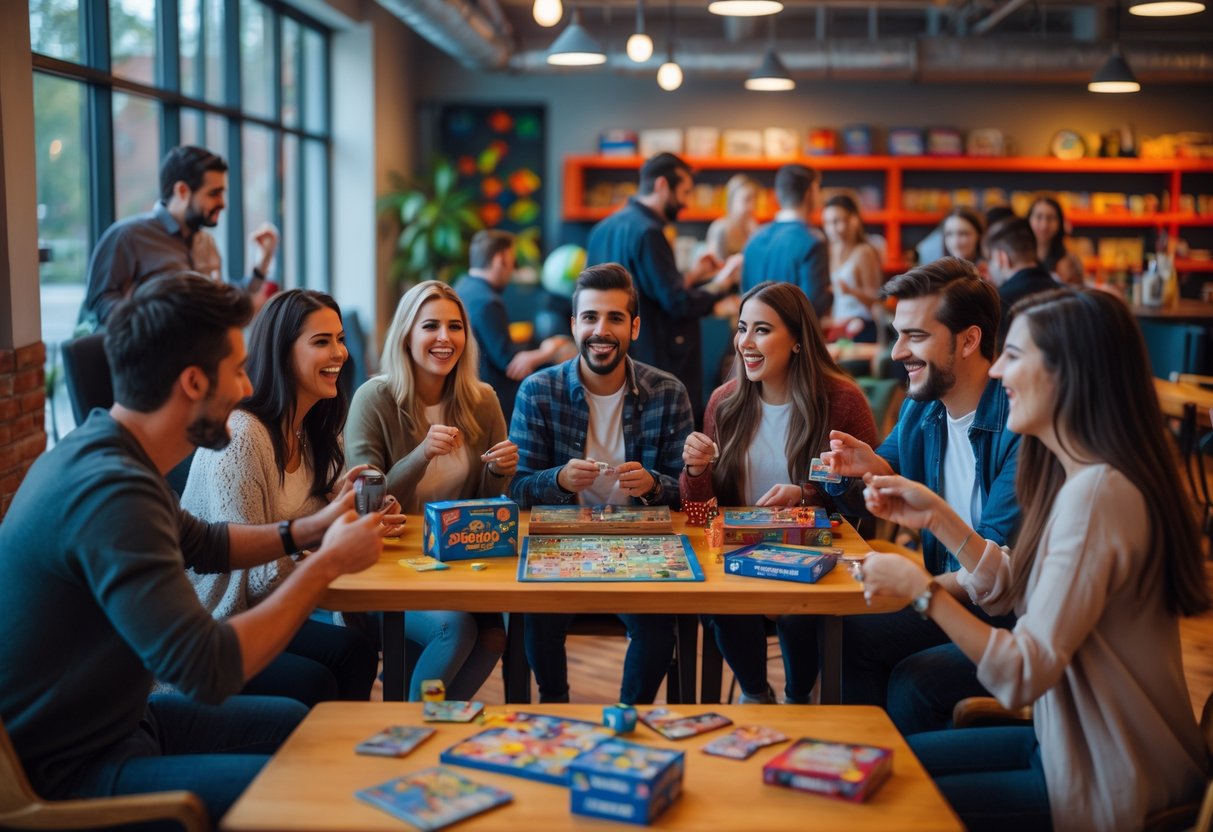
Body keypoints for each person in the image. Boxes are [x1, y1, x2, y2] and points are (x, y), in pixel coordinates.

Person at [0, 274, 394, 825]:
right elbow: (207, 670)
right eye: (235, 369)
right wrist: (327, 562)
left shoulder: (108, 448)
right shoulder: (108, 492)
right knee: (311, 783)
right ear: (191, 381)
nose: (244, 385)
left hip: (125, 724)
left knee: (304, 728)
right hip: (68, 773)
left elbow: (204, 543)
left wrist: (310, 529)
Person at [856, 288, 1209, 831]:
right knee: (880, 774)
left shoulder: (1096, 496)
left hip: (1108, 778)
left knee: (885, 802)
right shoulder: (1085, 478)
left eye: (1014, 356)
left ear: (1070, 373)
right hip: (1066, 747)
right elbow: (1014, 583)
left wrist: (920, 590)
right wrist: (939, 518)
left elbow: (1022, 673)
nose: (996, 371)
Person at [821, 257, 1020, 734]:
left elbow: (995, 574)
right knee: (838, 632)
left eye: (915, 336)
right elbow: (886, 467)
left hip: (1009, 613)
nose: (895, 352)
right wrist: (862, 469)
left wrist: (910, 591)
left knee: (909, 675)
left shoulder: (1019, 422)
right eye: (897, 333)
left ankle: (895, 777)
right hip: (949, 593)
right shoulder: (923, 409)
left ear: (969, 340)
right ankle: (856, 759)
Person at [181, 289, 387, 706]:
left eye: (341, 339)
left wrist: (351, 512)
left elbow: (313, 514)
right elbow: (255, 577)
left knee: (357, 653)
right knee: (315, 681)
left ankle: (340, 764)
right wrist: (330, 549)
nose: (340, 353)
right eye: (321, 341)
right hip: (217, 624)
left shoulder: (313, 426)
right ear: (282, 352)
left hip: (261, 609)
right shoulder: (241, 437)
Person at [681, 281, 876, 704]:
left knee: (799, 611)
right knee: (717, 602)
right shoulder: (724, 402)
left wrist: (806, 496)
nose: (745, 342)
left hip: (816, 558)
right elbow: (699, 517)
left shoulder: (842, 402)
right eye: (741, 328)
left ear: (799, 342)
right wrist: (695, 471)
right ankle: (755, 694)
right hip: (736, 557)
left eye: (762, 330)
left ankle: (798, 697)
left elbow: (866, 502)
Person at [509, 263, 694, 704]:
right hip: (558, 542)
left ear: (634, 326)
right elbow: (515, 489)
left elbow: (688, 493)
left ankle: (629, 715)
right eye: (590, 318)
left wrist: (652, 486)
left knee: (657, 626)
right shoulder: (538, 391)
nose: (601, 330)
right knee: (536, 617)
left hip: (641, 544)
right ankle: (557, 704)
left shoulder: (668, 391)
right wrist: (558, 479)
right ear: (574, 325)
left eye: (614, 318)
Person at [346, 279, 516, 700]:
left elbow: (487, 500)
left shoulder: (482, 399)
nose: (445, 338)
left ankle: (431, 721)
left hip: (459, 558)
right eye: (431, 326)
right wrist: (421, 454)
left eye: (455, 327)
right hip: (384, 564)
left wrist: (501, 471)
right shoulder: (374, 398)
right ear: (407, 334)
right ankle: (407, 726)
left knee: (494, 636)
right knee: (454, 629)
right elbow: (365, 502)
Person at [586, 152, 741, 417]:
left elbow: (645, 288)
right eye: (684, 192)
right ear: (661, 185)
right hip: (655, 361)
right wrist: (722, 283)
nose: (686, 203)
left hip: (615, 358)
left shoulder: (603, 228)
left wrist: (692, 276)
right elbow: (676, 302)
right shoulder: (650, 232)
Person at [80, 145, 279, 328]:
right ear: (182, 191)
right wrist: (151, 326)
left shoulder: (206, 243)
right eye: (214, 194)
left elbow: (225, 298)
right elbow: (100, 301)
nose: (223, 203)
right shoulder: (127, 236)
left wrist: (263, 261)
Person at [453, 230, 573, 421]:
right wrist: (549, 350)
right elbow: (511, 364)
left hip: (466, 387)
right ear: (501, 259)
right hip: (491, 396)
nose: (512, 271)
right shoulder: (488, 301)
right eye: (512, 262)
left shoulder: (461, 287)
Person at [740, 163, 831, 319]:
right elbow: (812, 306)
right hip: (793, 339)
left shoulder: (753, 239)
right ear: (810, 193)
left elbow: (744, 297)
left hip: (755, 336)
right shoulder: (812, 241)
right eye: (818, 189)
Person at [984, 217, 1059, 342]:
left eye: (990, 260)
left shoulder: (998, 302)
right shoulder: (1065, 292)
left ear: (1001, 258)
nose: (989, 268)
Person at [822, 195, 883, 342]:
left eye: (836, 221)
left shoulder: (864, 252)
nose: (831, 229)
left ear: (854, 220)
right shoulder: (829, 251)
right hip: (838, 326)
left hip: (861, 327)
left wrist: (851, 291)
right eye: (827, 223)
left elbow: (876, 298)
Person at [1028, 196, 1084, 286]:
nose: (1044, 225)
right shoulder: (1021, 259)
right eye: (1039, 217)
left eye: (1050, 218)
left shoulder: (1070, 263)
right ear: (1028, 220)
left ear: (1060, 223)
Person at [705, 174, 759, 260]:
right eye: (746, 199)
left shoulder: (753, 228)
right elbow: (713, 267)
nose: (752, 206)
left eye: (755, 199)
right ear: (732, 200)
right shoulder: (720, 229)